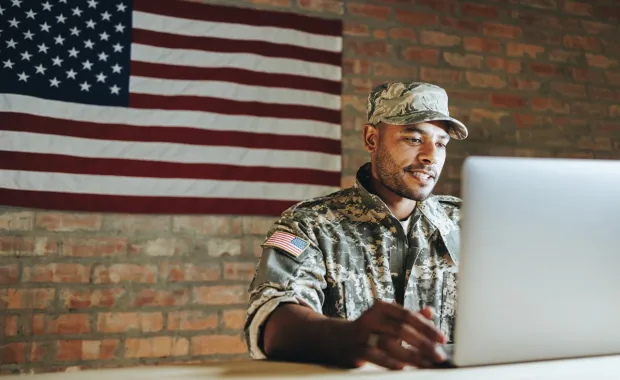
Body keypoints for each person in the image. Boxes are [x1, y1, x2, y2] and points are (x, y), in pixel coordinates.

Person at [244, 82, 469, 370]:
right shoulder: (312, 225)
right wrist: (345, 337)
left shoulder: (468, 223)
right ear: (372, 139)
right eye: (414, 139)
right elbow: (273, 321)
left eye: (440, 143)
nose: (430, 156)